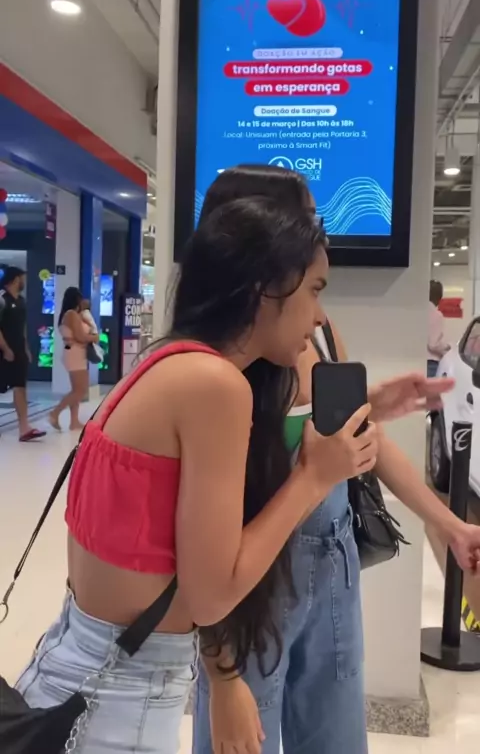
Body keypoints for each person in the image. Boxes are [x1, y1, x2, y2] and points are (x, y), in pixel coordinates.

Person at [16, 194, 378, 754]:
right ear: (265, 289)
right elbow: (211, 595)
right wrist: (312, 477)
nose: (319, 316)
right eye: (314, 290)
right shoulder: (217, 386)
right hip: (119, 700)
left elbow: (180, 556)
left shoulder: (167, 362)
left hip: (79, 665)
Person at [193, 167, 480, 754]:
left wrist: (450, 524)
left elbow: (363, 442)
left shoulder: (316, 336)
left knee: (336, 737)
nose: (317, 231)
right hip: (253, 587)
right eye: (304, 218)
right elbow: (203, 548)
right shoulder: (215, 375)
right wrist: (221, 675)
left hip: (334, 565)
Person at [0, 266, 46, 441]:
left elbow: (22, 327)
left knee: (20, 387)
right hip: (3, 350)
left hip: (18, 350)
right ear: (15, 279)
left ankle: (24, 428)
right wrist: (5, 349)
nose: (24, 282)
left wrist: (25, 348)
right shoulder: (2, 299)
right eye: (22, 278)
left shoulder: (21, 301)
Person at [49, 287, 99, 432]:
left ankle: (74, 421)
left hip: (75, 352)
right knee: (81, 390)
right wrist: (94, 338)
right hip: (75, 353)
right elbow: (80, 336)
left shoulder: (73, 315)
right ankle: (55, 413)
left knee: (76, 389)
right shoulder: (71, 314)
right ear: (76, 299)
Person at [427, 279, 450, 377]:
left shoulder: (418, 312)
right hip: (431, 363)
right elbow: (433, 345)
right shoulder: (436, 315)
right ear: (439, 297)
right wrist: (447, 348)